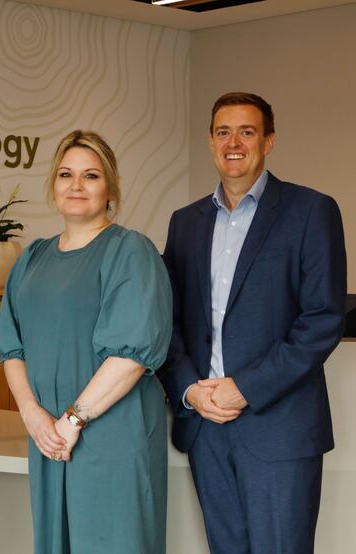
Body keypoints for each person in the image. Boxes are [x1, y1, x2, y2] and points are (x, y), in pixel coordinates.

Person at [160, 92, 347, 554]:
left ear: (269, 141)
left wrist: (246, 386)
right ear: (210, 141)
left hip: (278, 428)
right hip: (206, 425)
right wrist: (189, 390)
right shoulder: (185, 223)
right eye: (223, 132)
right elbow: (169, 321)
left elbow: (323, 319)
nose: (234, 142)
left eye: (247, 131)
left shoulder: (310, 211)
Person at [0, 130, 172, 553]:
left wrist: (72, 421)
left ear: (109, 188)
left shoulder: (131, 251)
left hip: (110, 437)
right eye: (65, 174)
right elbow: (10, 345)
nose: (76, 186)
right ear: (53, 187)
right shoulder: (32, 258)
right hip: (49, 438)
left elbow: (131, 355)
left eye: (90, 176)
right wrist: (33, 416)